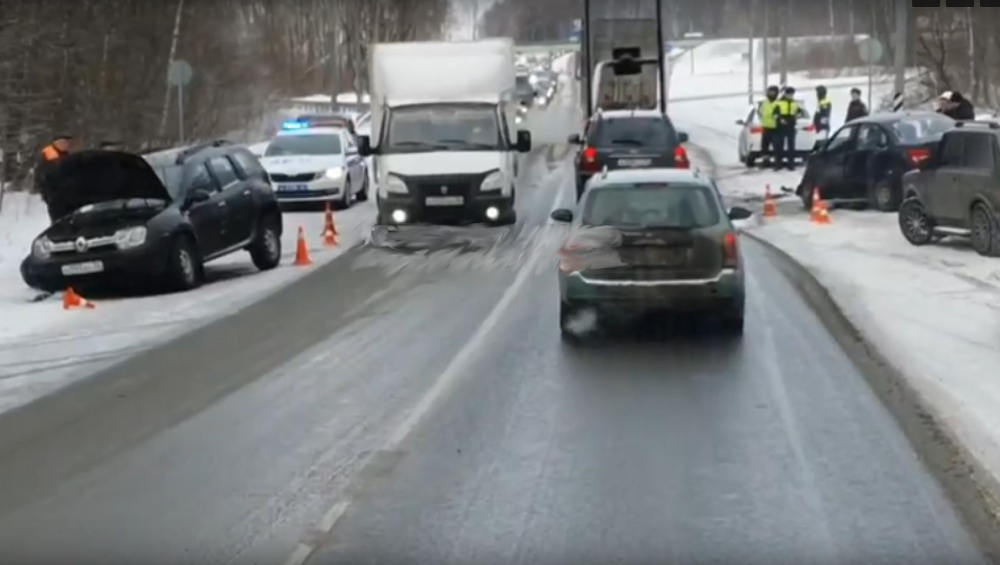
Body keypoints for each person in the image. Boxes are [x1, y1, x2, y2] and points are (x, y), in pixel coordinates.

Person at [35, 134, 73, 222]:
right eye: (63, 142)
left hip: (64, 193)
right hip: (53, 192)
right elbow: (42, 174)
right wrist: (46, 193)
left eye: (67, 142)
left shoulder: (65, 154)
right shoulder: (49, 153)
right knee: (58, 219)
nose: (66, 144)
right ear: (56, 142)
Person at [774, 86, 804, 171]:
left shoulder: (794, 103)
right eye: (789, 94)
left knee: (791, 146)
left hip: (791, 126)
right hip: (781, 127)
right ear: (786, 94)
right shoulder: (779, 103)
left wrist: (797, 116)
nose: (791, 96)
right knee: (779, 146)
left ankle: (791, 164)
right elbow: (775, 114)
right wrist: (780, 119)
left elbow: (799, 112)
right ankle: (778, 164)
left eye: (792, 94)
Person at [757, 85, 780, 168]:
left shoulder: (778, 103)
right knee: (764, 147)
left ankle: (777, 163)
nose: (771, 94)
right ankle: (765, 161)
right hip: (766, 127)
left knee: (776, 147)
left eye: (773, 92)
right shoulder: (764, 103)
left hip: (775, 128)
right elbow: (760, 112)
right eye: (770, 92)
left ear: (776, 93)